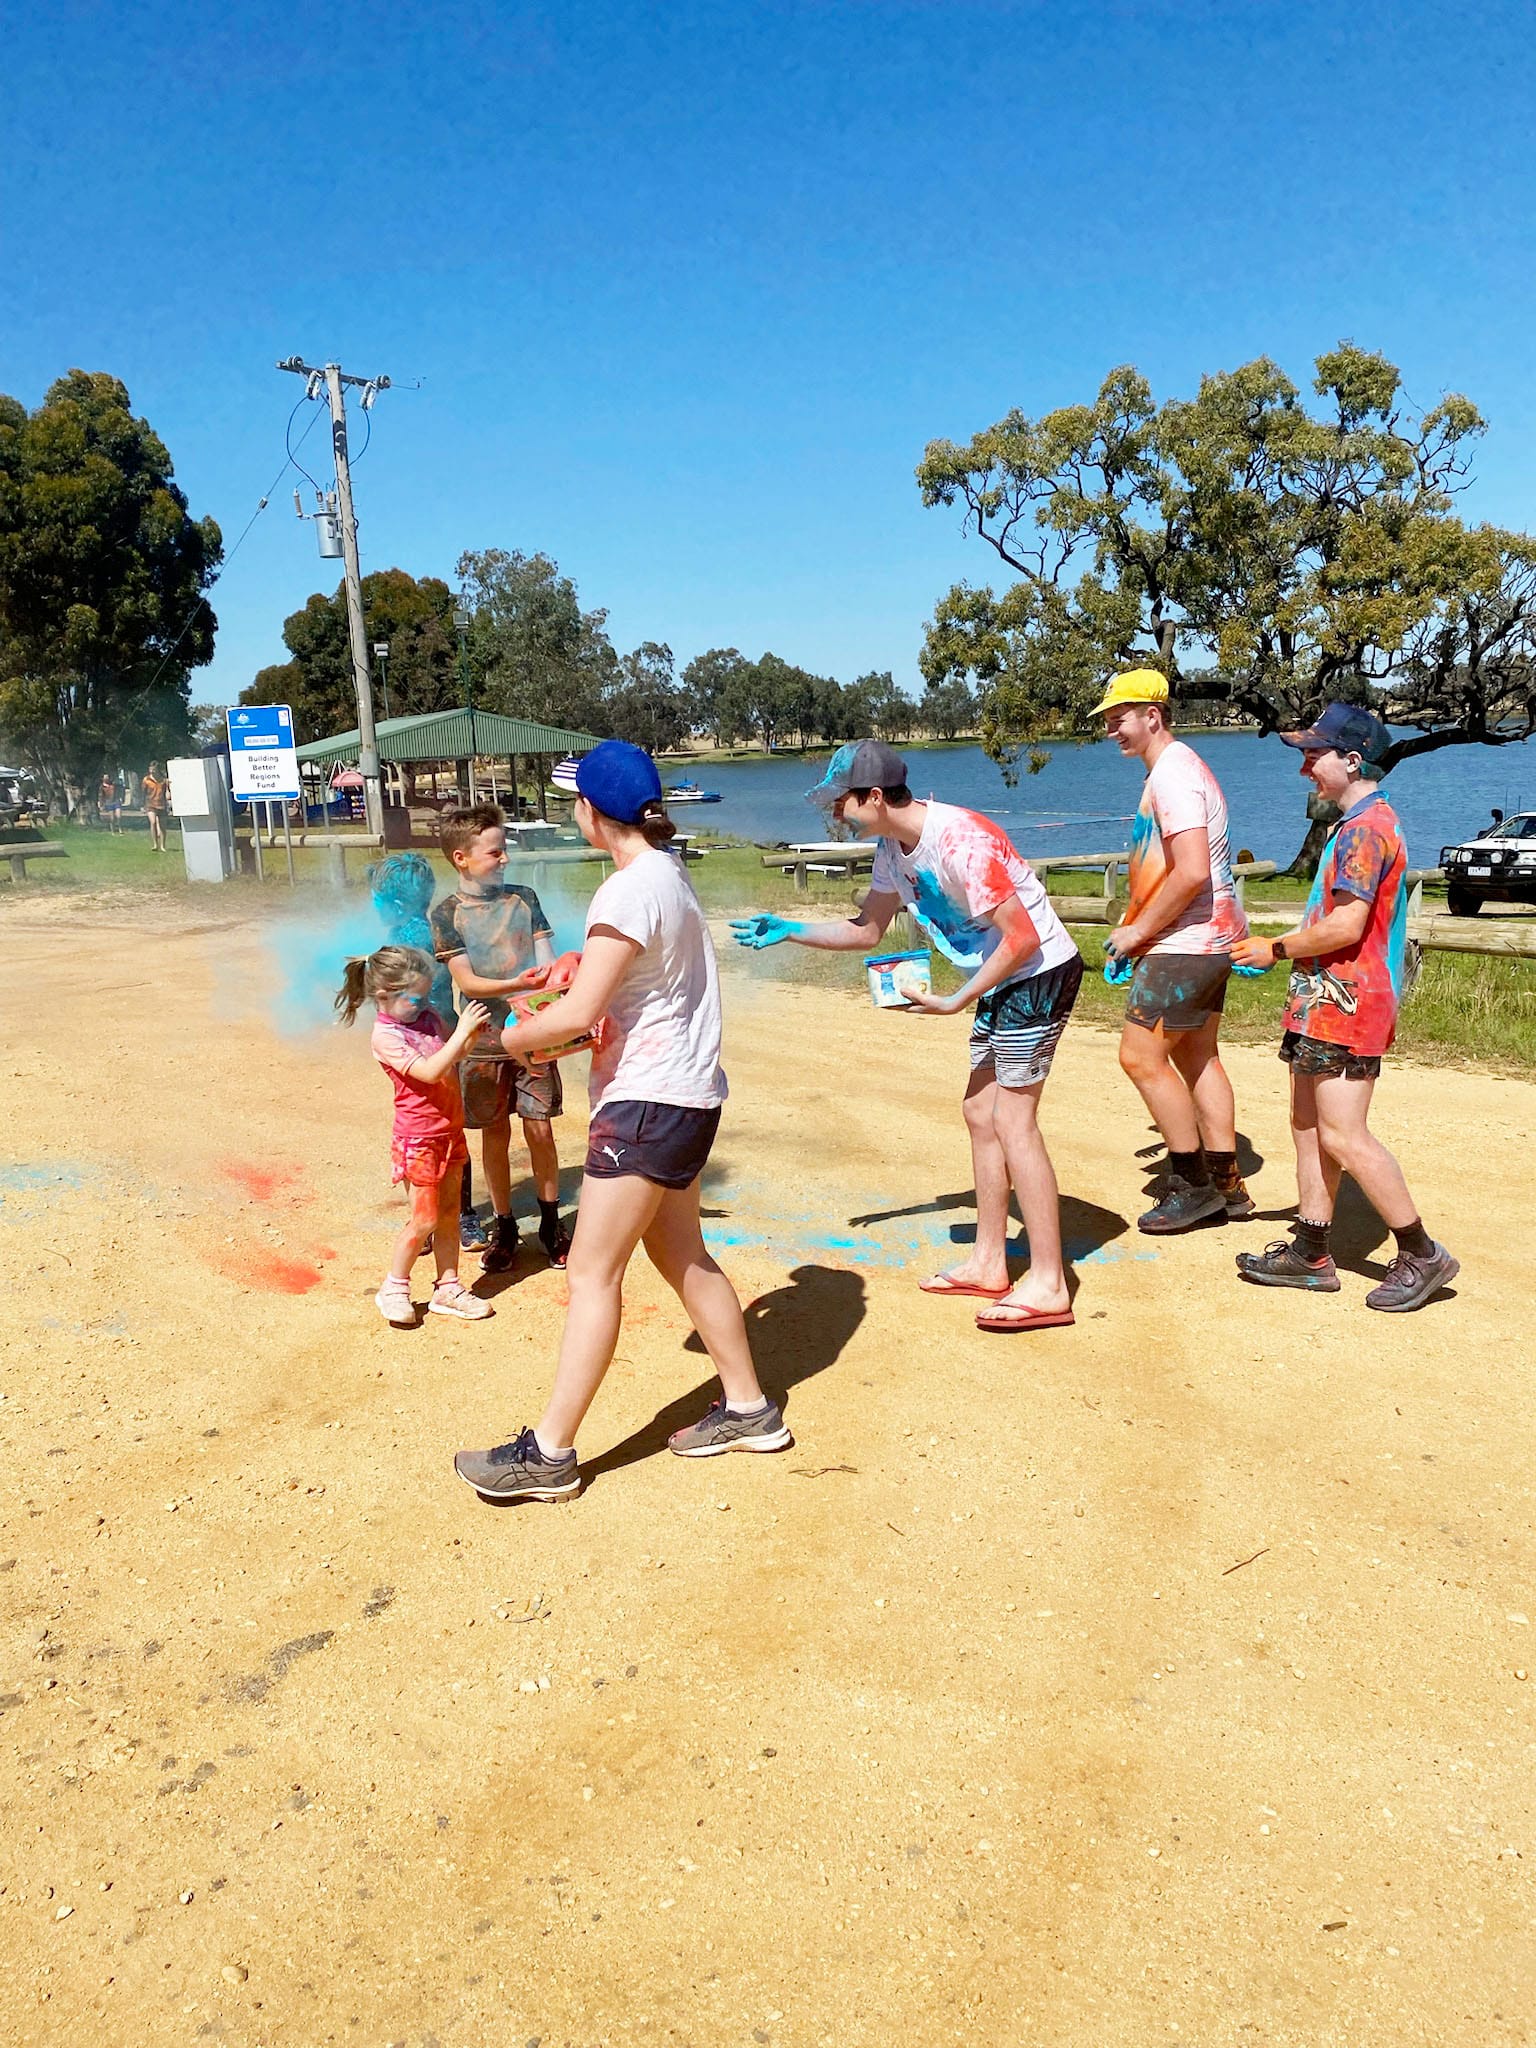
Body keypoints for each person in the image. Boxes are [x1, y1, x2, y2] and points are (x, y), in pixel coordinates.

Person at [454, 740, 789, 1504]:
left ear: (591, 812)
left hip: (645, 1104)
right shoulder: (665, 872)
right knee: (683, 1254)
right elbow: (631, 975)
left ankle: (549, 1455)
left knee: (592, 1273)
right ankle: (749, 1409)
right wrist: (580, 966)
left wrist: (510, 1039)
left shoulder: (626, 889)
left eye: (575, 799)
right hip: (687, 1099)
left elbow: (578, 1015)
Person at [732, 740, 1083, 1334]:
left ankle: (1049, 1283)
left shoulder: (960, 840)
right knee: (980, 1112)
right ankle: (989, 1261)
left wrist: (956, 999)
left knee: (1013, 1120)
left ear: (874, 797)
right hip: (1003, 973)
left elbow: (1023, 937)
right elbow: (867, 930)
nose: (836, 811)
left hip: (1039, 970)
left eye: (841, 800)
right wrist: (789, 928)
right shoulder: (891, 850)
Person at [1231, 703, 1458, 1311]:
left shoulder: (1364, 829)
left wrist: (1275, 947)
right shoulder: (1356, 822)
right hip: (1323, 999)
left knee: (1342, 1133)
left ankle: (1421, 1253)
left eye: (1314, 755)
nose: (1304, 768)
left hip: (1349, 1002)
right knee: (1308, 1125)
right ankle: (1310, 1251)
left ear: (1352, 760)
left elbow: (1347, 925)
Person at [1094, 670, 1253, 1233]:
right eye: (1108, 721)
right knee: (1197, 1057)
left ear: (1152, 716)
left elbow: (1190, 871)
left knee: (1140, 1058)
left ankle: (1193, 1185)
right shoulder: (1178, 768)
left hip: (1186, 941)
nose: (1111, 730)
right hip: (1208, 938)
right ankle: (1227, 1185)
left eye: (1119, 719)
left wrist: (1136, 932)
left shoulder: (1173, 775)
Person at [431, 805, 574, 1273]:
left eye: (504, 849)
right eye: (495, 852)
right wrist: (520, 985)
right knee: (494, 1134)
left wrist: (554, 986)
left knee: (540, 1128)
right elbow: (467, 983)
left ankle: (551, 1223)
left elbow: (548, 962)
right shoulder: (447, 914)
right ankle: (506, 1226)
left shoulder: (525, 899)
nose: (505, 858)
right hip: (484, 1043)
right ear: (462, 858)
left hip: (534, 1037)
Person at [334, 944, 493, 1325]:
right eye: (415, 999)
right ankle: (394, 1287)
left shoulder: (428, 1017)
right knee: (425, 1220)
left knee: (450, 1214)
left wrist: (472, 1035)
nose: (423, 1005)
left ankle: (448, 1287)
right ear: (383, 996)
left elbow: (453, 1055)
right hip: (418, 1140)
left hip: (449, 1132)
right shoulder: (386, 1037)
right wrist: (461, 1032)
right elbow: (430, 1071)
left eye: (426, 997)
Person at [369, 853, 486, 1255]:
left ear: (395, 903)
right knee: (447, 1126)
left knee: (439, 1129)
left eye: (377, 899)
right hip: (440, 1038)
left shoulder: (410, 936)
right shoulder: (429, 926)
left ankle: (455, 1216)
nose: (373, 907)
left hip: (436, 1041)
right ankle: (445, 1216)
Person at [142, 764, 169, 851]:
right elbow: (143, 792)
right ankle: (155, 844)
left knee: (162, 826)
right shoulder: (146, 780)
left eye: (154, 770)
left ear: (157, 770)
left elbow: (167, 792)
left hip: (161, 804)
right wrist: (143, 805)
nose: (152, 771)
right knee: (153, 822)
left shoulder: (163, 780)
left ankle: (163, 845)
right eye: (150, 769)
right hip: (150, 804)